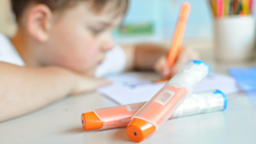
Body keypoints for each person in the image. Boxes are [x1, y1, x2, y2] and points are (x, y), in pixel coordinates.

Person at [0, 0, 198, 122]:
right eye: (97, 30)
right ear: (41, 23)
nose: (110, 44)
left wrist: (168, 55)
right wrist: (69, 80)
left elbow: (135, 52)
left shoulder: (85, 59)